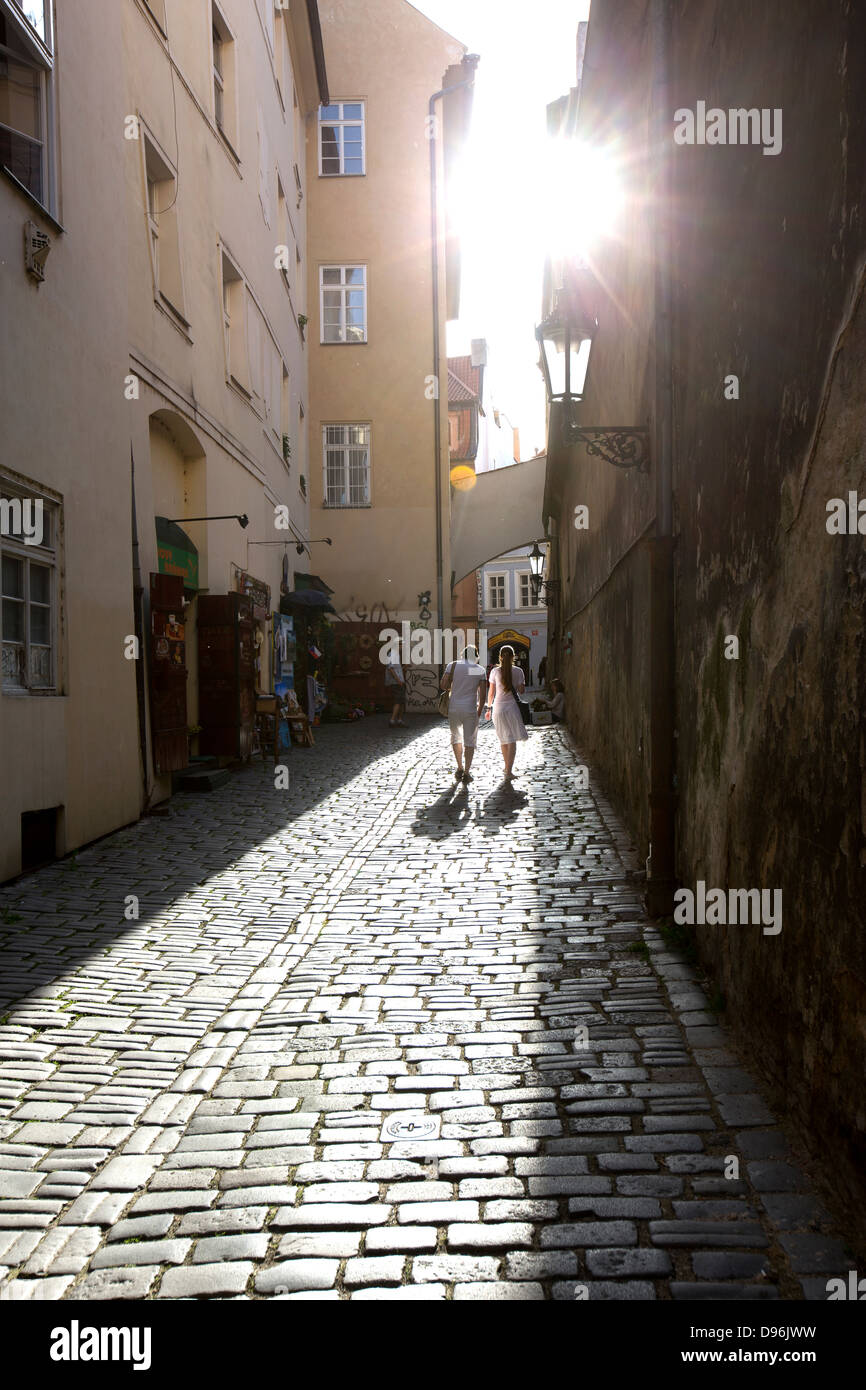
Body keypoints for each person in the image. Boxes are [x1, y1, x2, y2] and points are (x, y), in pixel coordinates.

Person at [440, 645, 487, 783]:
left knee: (455, 737)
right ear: (476, 656)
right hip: (470, 709)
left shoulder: (452, 665)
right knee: (470, 740)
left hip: (454, 708)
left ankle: (459, 767)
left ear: (463, 654)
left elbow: (443, 685)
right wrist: (478, 712)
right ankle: (467, 772)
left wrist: (454, 683)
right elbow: (482, 696)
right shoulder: (479, 670)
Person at [484, 644, 527, 781]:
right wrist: (520, 683)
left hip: (498, 708)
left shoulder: (495, 672)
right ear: (513, 656)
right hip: (512, 708)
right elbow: (521, 691)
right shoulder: (518, 671)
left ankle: (506, 767)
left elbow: (491, 693)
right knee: (512, 739)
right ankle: (509, 770)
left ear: (500, 656)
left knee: (503, 739)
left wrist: (488, 708)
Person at [385, 657, 407, 727]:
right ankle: (392, 720)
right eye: (400, 645)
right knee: (398, 701)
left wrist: (404, 667)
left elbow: (397, 670)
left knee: (402, 701)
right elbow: (390, 669)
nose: (401, 647)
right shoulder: (392, 655)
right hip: (396, 683)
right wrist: (398, 680)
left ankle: (399, 720)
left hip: (399, 682)